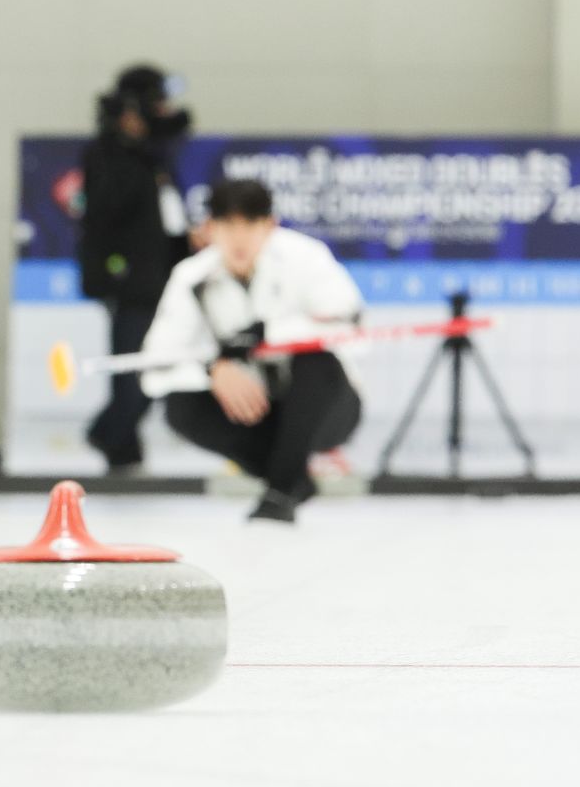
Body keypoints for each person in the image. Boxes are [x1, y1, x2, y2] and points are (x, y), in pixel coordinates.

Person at [140, 180, 364, 524]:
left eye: (250, 224)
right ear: (209, 229)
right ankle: (289, 482)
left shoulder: (306, 258)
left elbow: (350, 328)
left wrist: (270, 334)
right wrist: (212, 370)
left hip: (327, 409)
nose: (239, 238)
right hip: (259, 411)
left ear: (270, 225)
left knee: (315, 361)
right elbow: (154, 369)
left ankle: (281, 487)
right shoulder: (191, 277)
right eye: (228, 225)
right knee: (181, 406)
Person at [75, 64, 192, 472]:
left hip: (163, 280)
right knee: (133, 370)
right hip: (129, 284)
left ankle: (118, 440)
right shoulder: (108, 156)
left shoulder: (154, 158)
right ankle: (113, 439)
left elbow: (163, 220)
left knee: (160, 368)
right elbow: (107, 216)